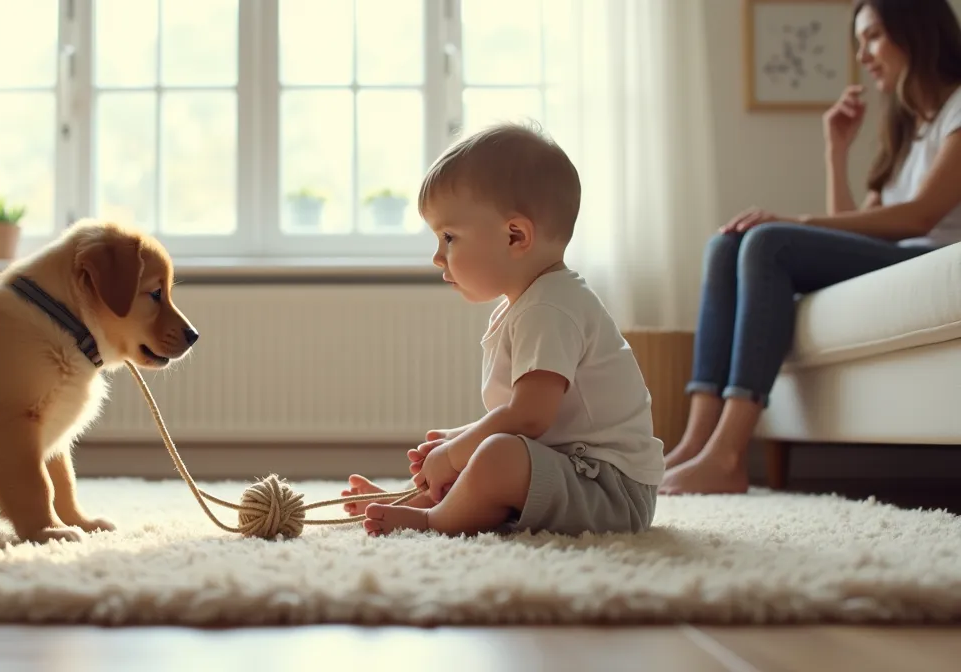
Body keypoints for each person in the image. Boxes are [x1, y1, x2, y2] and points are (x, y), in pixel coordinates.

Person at [659, 0, 961, 495]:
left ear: (918, 35)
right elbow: (853, 228)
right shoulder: (909, 128)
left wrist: (794, 220)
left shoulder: (958, 109)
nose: (862, 55)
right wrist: (835, 151)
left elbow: (920, 215)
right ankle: (696, 443)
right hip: (899, 256)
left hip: (929, 254)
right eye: (858, 42)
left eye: (873, 38)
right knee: (726, 244)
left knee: (769, 243)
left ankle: (729, 454)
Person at [339, 121, 665, 537]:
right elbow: (522, 420)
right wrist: (456, 443)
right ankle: (407, 500)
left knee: (491, 454)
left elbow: (529, 417)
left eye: (449, 237)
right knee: (467, 446)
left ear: (515, 235)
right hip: (571, 470)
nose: (438, 257)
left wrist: (461, 451)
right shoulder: (528, 304)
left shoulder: (550, 307)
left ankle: (432, 519)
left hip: (610, 490)